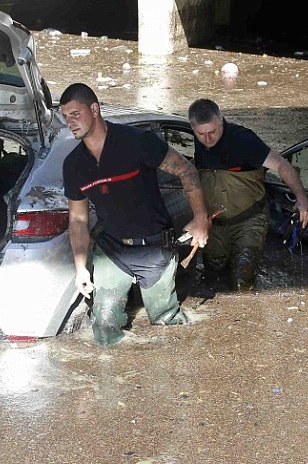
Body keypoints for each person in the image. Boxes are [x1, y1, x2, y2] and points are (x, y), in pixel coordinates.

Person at [61, 83, 211, 346]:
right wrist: (81, 268)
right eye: (65, 117)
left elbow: (187, 171)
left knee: (166, 324)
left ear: (94, 109)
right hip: (112, 250)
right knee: (104, 327)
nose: (70, 122)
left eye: (75, 114)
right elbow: (77, 220)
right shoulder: (73, 165)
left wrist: (200, 219)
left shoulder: (137, 142)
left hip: (154, 247)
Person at [187, 98, 308, 291]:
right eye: (201, 134)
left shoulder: (243, 140)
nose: (208, 139)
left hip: (249, 221)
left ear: (221, 122)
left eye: (212, 132)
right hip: (215, 224)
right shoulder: (200, 139)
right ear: (193, 128)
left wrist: (301, 199)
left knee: (242, 278)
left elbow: (282, 165)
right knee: (212, 274)